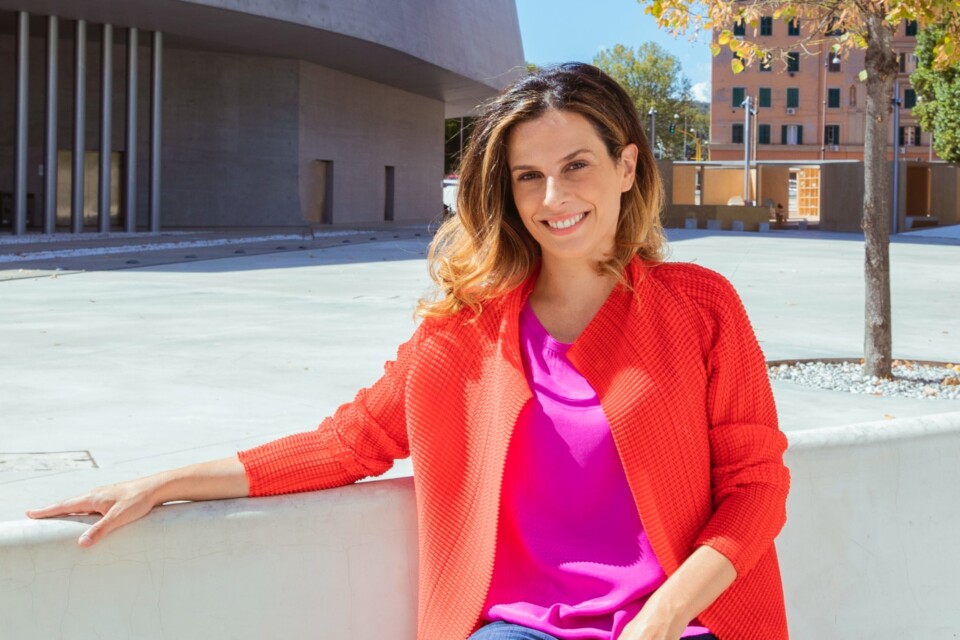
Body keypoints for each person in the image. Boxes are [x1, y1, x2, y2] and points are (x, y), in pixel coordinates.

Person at [28, 63, 790, 640]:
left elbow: (757, 488)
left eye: (577, 166)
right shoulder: (460, 334)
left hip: (683, 622)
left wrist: (660, 619)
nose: (553, 198)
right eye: (529, 176)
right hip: (521, 628)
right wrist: (165, 483)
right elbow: (347, 443)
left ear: (626, 168)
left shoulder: (699, 306)